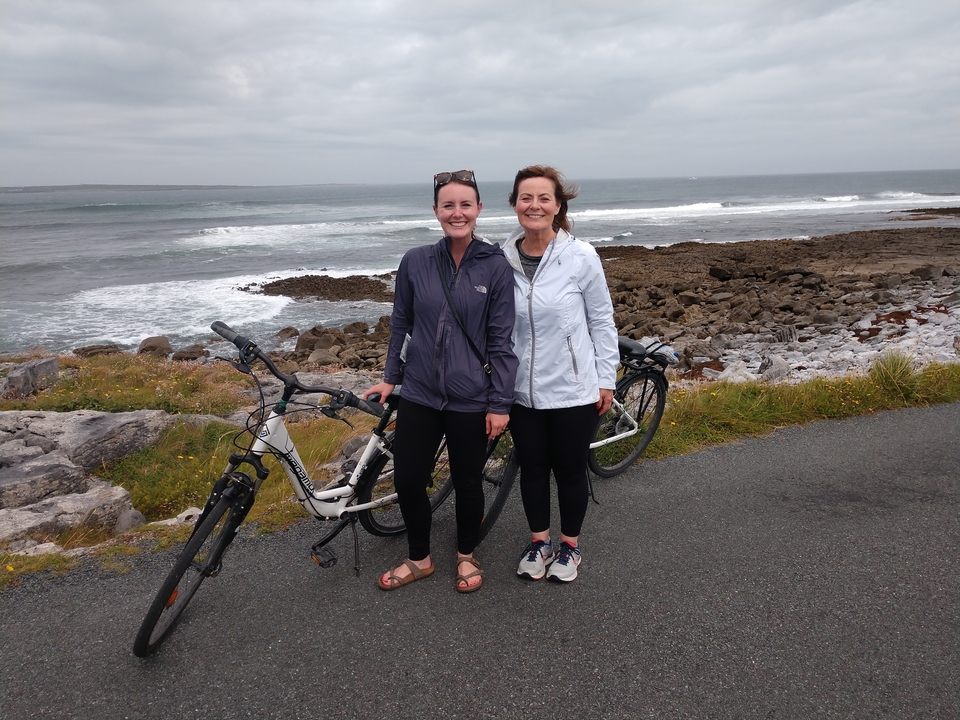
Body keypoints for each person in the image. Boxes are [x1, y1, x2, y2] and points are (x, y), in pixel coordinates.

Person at [364, 170, 518, 593]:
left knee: (468, 481)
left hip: (473, 397)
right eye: (448, 205)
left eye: (465, 204)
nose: (457, 213)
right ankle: (420, 558)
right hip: (420, 393)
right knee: (408, 480)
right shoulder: (416, 261)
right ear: (435, 211)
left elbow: (502, 342)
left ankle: (466, 555)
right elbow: (401, 323)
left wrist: (500, 403)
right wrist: (391, 378)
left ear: (478, 210)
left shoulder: (496, 266)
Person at [501, 165, 619, 583]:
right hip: (521, 391)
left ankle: (570, 547)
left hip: (573, 388)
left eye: (543, 198)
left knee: (569, 469)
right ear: (515, 204)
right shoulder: (501, 257)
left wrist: (607, 378)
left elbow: (602, 322)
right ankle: (540, 542)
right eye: (526, 198)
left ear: (557, 205)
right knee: (532, 467)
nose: (534, 205)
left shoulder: (581, 256)